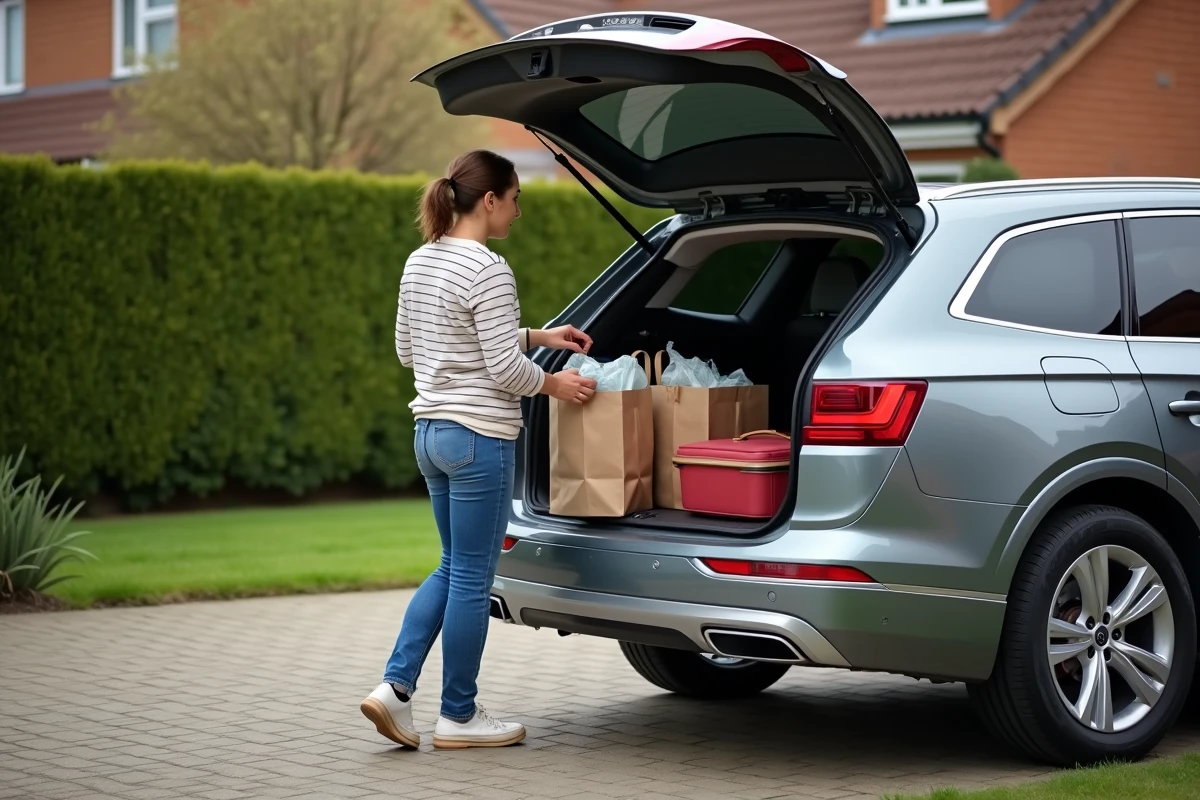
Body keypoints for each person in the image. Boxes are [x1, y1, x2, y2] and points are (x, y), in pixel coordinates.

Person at [360, 150, 598, 750]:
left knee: (450, 566)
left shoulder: (421, 261)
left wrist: (540, 336)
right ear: (489, 200)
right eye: (515, 199)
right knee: (472, 576)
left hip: (432, 436)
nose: (517, 213)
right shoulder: (488, 268)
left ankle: (395, 689)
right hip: (479, 440)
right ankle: (459, 716)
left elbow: (411, 351)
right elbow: (503, 369)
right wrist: (555, 383)